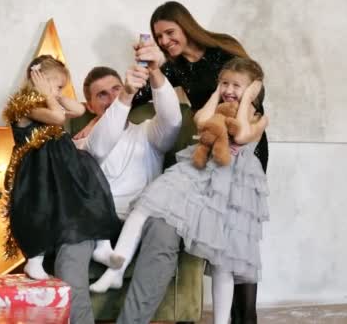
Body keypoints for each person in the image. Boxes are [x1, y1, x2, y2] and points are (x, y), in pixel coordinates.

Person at [90, 57, 269, 324]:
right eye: (225, 83)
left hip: (233, 186)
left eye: (237, 85)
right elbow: (200, 121)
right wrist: (217, 94)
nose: (229, 89)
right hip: (200, 172)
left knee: (224, 262)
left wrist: (247, 100)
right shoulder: (217, 107)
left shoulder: (258, 116)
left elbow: (242, 134)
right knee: (147, 204)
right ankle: (118, 268)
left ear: (254, 89)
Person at [134, 0, 269, 323]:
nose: (165, 41)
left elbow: (256, 91)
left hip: (245, 144)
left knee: (240, 229)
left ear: (185, 25)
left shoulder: (224, 50)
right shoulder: (174, 66)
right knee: (220, 229)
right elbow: (139, 92)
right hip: (212, 150)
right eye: (159, 37)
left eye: (169, 32)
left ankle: (246, 316)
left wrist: (247, 126)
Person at [56, 56, 182, 323]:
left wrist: (155, 71)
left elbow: (172, 122)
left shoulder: (148, 131)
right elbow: (101, 145)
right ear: (89, 106)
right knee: (69, 245)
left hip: (142, 218)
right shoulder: (82, 142)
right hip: (96, 221)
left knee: (167, 230)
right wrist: (125, 94)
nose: (112, 97)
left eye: (116, 88)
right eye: (102, 94)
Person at [2, 55, 121, 280]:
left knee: (90, 192)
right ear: (40, 80)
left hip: (63, 162)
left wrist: (56, 93)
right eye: (57, 85)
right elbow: (57, 117)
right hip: (39, 168)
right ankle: (34, 260)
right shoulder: (25, 105)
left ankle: (102, 245)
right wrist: (48, 95)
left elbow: (77, 110)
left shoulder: (50, 98)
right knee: (41, 210)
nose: (58, 91)